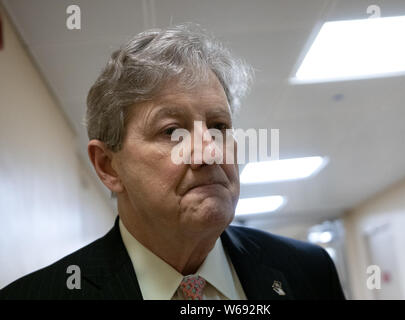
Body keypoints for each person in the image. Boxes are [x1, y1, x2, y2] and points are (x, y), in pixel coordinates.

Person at [0, 24, 345, 300]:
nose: (210, 151)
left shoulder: (309, 272)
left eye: (218, 127)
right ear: (107, 166)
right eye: (172, 131)